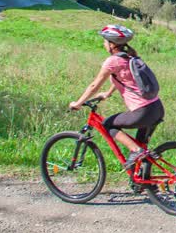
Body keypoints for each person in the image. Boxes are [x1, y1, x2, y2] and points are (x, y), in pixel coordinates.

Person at [70, 24, 164, 169]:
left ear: (112, 44)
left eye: (105, 41)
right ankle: (143, 182)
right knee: (141, 149)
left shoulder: (113, 61)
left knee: (107, 124)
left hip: (142, 112)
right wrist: (108, 93)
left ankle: (137, 151)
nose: (103, 44)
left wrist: (78, 103)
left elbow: (95, 85)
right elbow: (124, 78)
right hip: (156, 108)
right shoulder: (129, 57)